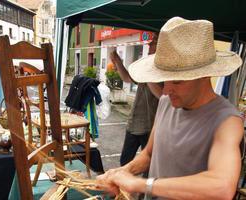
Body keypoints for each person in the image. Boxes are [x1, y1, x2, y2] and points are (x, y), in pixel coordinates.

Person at [97, 17, 244, 200]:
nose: (166, 89)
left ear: (205, 76)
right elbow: (150, 153)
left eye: (177, 81)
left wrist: (142, 184)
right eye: (164, 79)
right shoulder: (167, 102)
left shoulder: (227, 121)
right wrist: (123, 172)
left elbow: (222, 187)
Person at [110, 34, 162, 166]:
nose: (149, 44)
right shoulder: (146, 65)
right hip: (133, 124)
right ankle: (125, 186)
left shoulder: (164, 69)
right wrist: (118, 61)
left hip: (150, 126)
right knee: (125, 163)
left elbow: (163, 97)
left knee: (149, 167)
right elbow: (127, 78)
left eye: (154, 42)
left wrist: (146, 76)